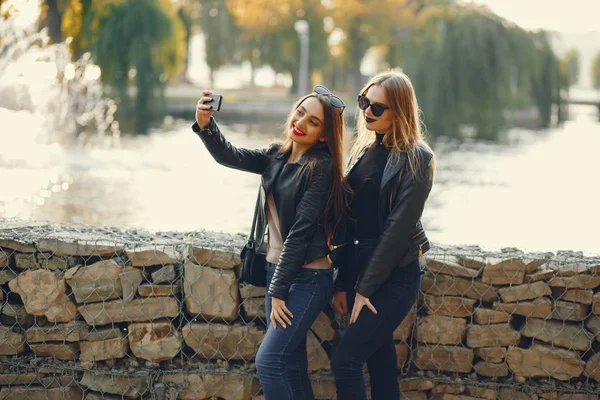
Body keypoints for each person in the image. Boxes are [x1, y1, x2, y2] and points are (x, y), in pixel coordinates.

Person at [193, 85, 347, 400]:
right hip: (276, 268)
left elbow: (301, 232)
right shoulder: (276, 154)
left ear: (323, 135)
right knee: (291, 364)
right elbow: (230, 156)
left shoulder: (322, 167)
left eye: (313, 122)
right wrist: (206, 125)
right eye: (301, 112)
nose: (301, 122)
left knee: (270, 361)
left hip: (308, 278)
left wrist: (277, 291)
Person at [330, 70, 435, 400]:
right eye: (364, 102)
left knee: (345, 360)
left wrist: (364, 289)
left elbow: (396, 231)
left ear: (400, 112)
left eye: (377, 108)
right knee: (380, 362)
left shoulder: (418, 159)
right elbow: (351, 223)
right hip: (362, 275)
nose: (367, 112)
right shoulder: (363, 150)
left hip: (395, 278)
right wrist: (344, 282)